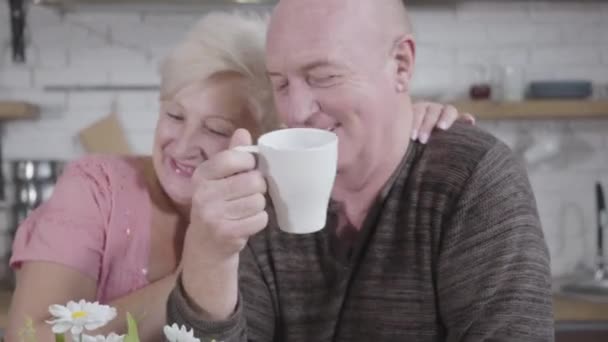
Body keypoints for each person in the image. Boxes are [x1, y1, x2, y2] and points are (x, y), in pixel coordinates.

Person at [6, 11, 467, 341]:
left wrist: (410, 123)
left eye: (216, 130)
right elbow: (25, 337)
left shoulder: (278, 211)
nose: (184, 146)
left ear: (266, 142)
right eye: (174, 115)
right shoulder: (98, 189)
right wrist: (197, 275)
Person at [167, 1, 554, 341]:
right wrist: (209, 254)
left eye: (323, 77)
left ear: (400, 65)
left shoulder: (474, 181)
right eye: (281, 84)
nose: (297, 111)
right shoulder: (261, 189)